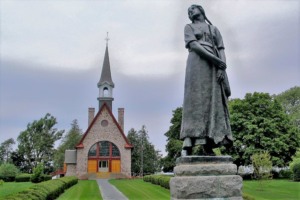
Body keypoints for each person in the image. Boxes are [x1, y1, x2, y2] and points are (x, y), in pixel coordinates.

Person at [180, 5, 233, 156]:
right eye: (188, 11)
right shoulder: (188, 27)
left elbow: (221, 48)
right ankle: (188, 142)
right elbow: (194, 45)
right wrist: (216, 61)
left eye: (193, 8)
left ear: (201, 10)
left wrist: (221, 68)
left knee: (212, 101)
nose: (190, 11)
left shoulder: (214, 29)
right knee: (194, 100)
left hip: (214, 67)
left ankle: (208, 143)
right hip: (196, 63)